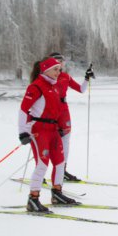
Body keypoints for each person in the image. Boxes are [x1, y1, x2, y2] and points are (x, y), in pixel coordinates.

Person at [18, 56, 80, 212]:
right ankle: (33, 199)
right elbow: (23, 110)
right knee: (42, 164)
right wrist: (23, 132)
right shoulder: (36, 87)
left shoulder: (55, 86)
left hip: (53, 129)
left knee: (60, 162)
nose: (58, 72)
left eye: (59, 69)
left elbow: (57, 109)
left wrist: (59, 125)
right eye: (55, 69)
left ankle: (57, 194)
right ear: (45, 69)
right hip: (40, 130)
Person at [48, 52, 94, 182]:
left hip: (64, 110)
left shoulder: (65, 77)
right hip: (50, 111)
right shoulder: (46, 77)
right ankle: (42, 170)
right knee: (48, 142)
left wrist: (86, 77)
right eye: (56, 61)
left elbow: (81, 89)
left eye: (61, 61)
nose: (59, 63)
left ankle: (62, 170)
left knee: (66, 142)